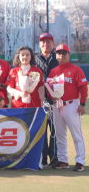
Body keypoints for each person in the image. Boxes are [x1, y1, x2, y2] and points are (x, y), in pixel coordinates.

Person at [48, 44, 87, 172]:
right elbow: (49, 88)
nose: (61, 55)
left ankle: (80, 161)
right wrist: (51, 97)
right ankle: (63, 160)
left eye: (64, 53)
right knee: (59, 134)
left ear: (69, 55)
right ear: (56, 55)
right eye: (59, 53)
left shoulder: (76, 69)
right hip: (58, 105)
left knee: (76, 134)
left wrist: (82, 104)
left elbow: (83, 87)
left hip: (72, 104)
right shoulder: (54, 71)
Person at [35, 32, 59, 167]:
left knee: (55, 128)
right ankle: (43, 155)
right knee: (42, 128)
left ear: (53, 43)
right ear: (39, 44)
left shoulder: (58, 57)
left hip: (55, 98)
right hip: (41, 99)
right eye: (43, 42)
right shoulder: (35, 59)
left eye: (48, 41)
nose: (46, 44)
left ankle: (54, 156)